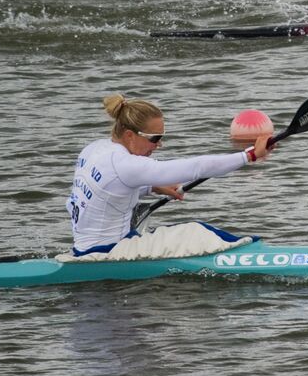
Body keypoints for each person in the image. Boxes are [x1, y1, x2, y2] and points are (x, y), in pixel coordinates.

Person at [66, 94, 272, 258]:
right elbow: (197, 167)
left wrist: (151, 187)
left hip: (83, 248)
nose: (159, 145)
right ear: (129, 135)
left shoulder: (93, 149)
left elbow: (106, 189)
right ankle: (256, 256)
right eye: (155, 139)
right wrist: (249, 155)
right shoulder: (125, 164)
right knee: (196, 231)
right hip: (108, 252)